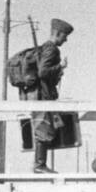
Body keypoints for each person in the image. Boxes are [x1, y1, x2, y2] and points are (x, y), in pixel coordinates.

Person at [24, 19, 74, 174]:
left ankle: (40, 164)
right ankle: (40, 165)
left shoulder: (45, 47)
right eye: (64, 36)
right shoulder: (51, 49)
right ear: (58, 34)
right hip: (43, 95)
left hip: (39, 94)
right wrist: (60, 67)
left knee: (44, 128)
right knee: (44, 128)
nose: (65, 40)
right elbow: (43, 72)